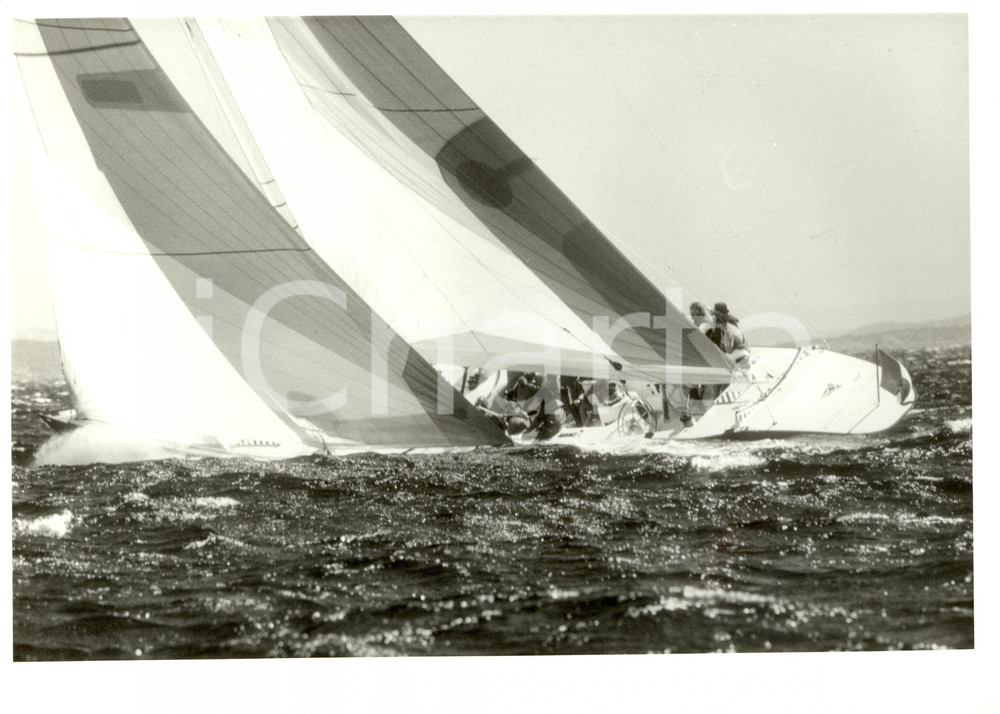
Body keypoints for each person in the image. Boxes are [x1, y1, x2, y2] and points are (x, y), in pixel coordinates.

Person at [710, 302, 750, 367]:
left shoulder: (727, 330)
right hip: (745, 355)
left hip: (738, 359)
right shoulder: (732, 325)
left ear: (719, 312)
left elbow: (728, 350)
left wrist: (714, 325)